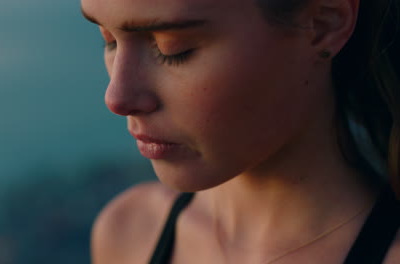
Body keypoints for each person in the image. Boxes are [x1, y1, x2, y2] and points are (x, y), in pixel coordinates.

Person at [82, 0, 400, 262]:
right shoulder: (128, 234)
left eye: (172, 49)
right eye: (108, 39)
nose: (117, 98)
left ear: (323, 26)